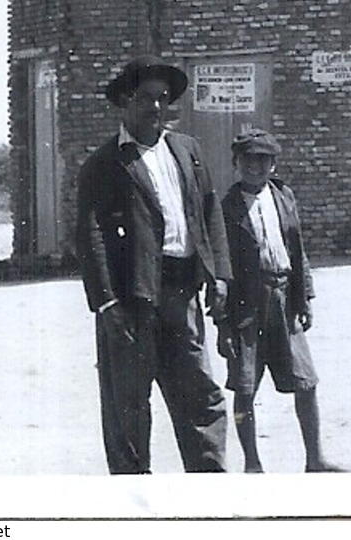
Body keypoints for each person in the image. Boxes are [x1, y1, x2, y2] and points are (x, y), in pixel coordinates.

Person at [75, 55, 232, 474]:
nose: (157, 108)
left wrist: (218, 274)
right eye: (146, 99)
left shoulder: (187, 150)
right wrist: (107, 305)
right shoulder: (105, 164)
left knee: (201, 395)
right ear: (125, 103)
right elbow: (91, 237)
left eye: (163, 99)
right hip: (132, 301)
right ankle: (135, 501)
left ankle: (210, 493)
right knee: (128, 405)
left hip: (183, 294)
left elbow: (209, 211)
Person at [219, 128, 347, 473]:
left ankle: (315, 459)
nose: (256, 168)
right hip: (247, 306)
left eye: (263, 161)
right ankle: (253, 464)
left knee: (306, 382)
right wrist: (223, 325)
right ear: (236, 163)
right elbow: (221, 269)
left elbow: (297, 248)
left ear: (273, 165)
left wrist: (304, 295)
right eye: (248, 160)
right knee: (245, 386)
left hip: (283, 299)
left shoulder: (284, 196)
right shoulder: (226, 208)